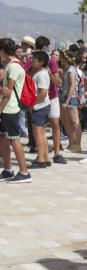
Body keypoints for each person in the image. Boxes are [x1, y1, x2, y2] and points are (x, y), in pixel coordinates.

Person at [0, 38, 31, 183]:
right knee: (3, 138)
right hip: (7, 107)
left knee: (14, 139)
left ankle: (24, 172)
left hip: (10, 108)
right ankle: (7, 169)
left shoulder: (13, 67)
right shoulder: (11, 65)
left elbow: (8, 93)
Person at [35, 37, 65, 163]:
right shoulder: (32, 59)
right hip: (41, 97)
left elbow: (58, 82)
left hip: (50, 96)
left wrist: (49, 73)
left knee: (52, 124)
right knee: (39, 127)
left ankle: (56, 153)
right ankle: (43, 154)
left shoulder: (51, 61)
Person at [28, 51, 52, 169]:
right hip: (42, 106)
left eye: (34, 59)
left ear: (41, 62)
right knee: (41, 133)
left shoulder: (41, 74)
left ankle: (41, 159)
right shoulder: (40, 73)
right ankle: (45, 157)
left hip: (40, 107)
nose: (31, 61)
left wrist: (32, 104)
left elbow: (43, 93)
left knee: (37, 133)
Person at [59, 51, 83, 154]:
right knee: (66, 121)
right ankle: (71, 142)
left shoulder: (71, 70)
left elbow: (72, 86)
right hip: (65, 96)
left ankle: (77, 144)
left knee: (74, 121)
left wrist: (68, 101)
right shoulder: (66, 69)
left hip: (71, 97)